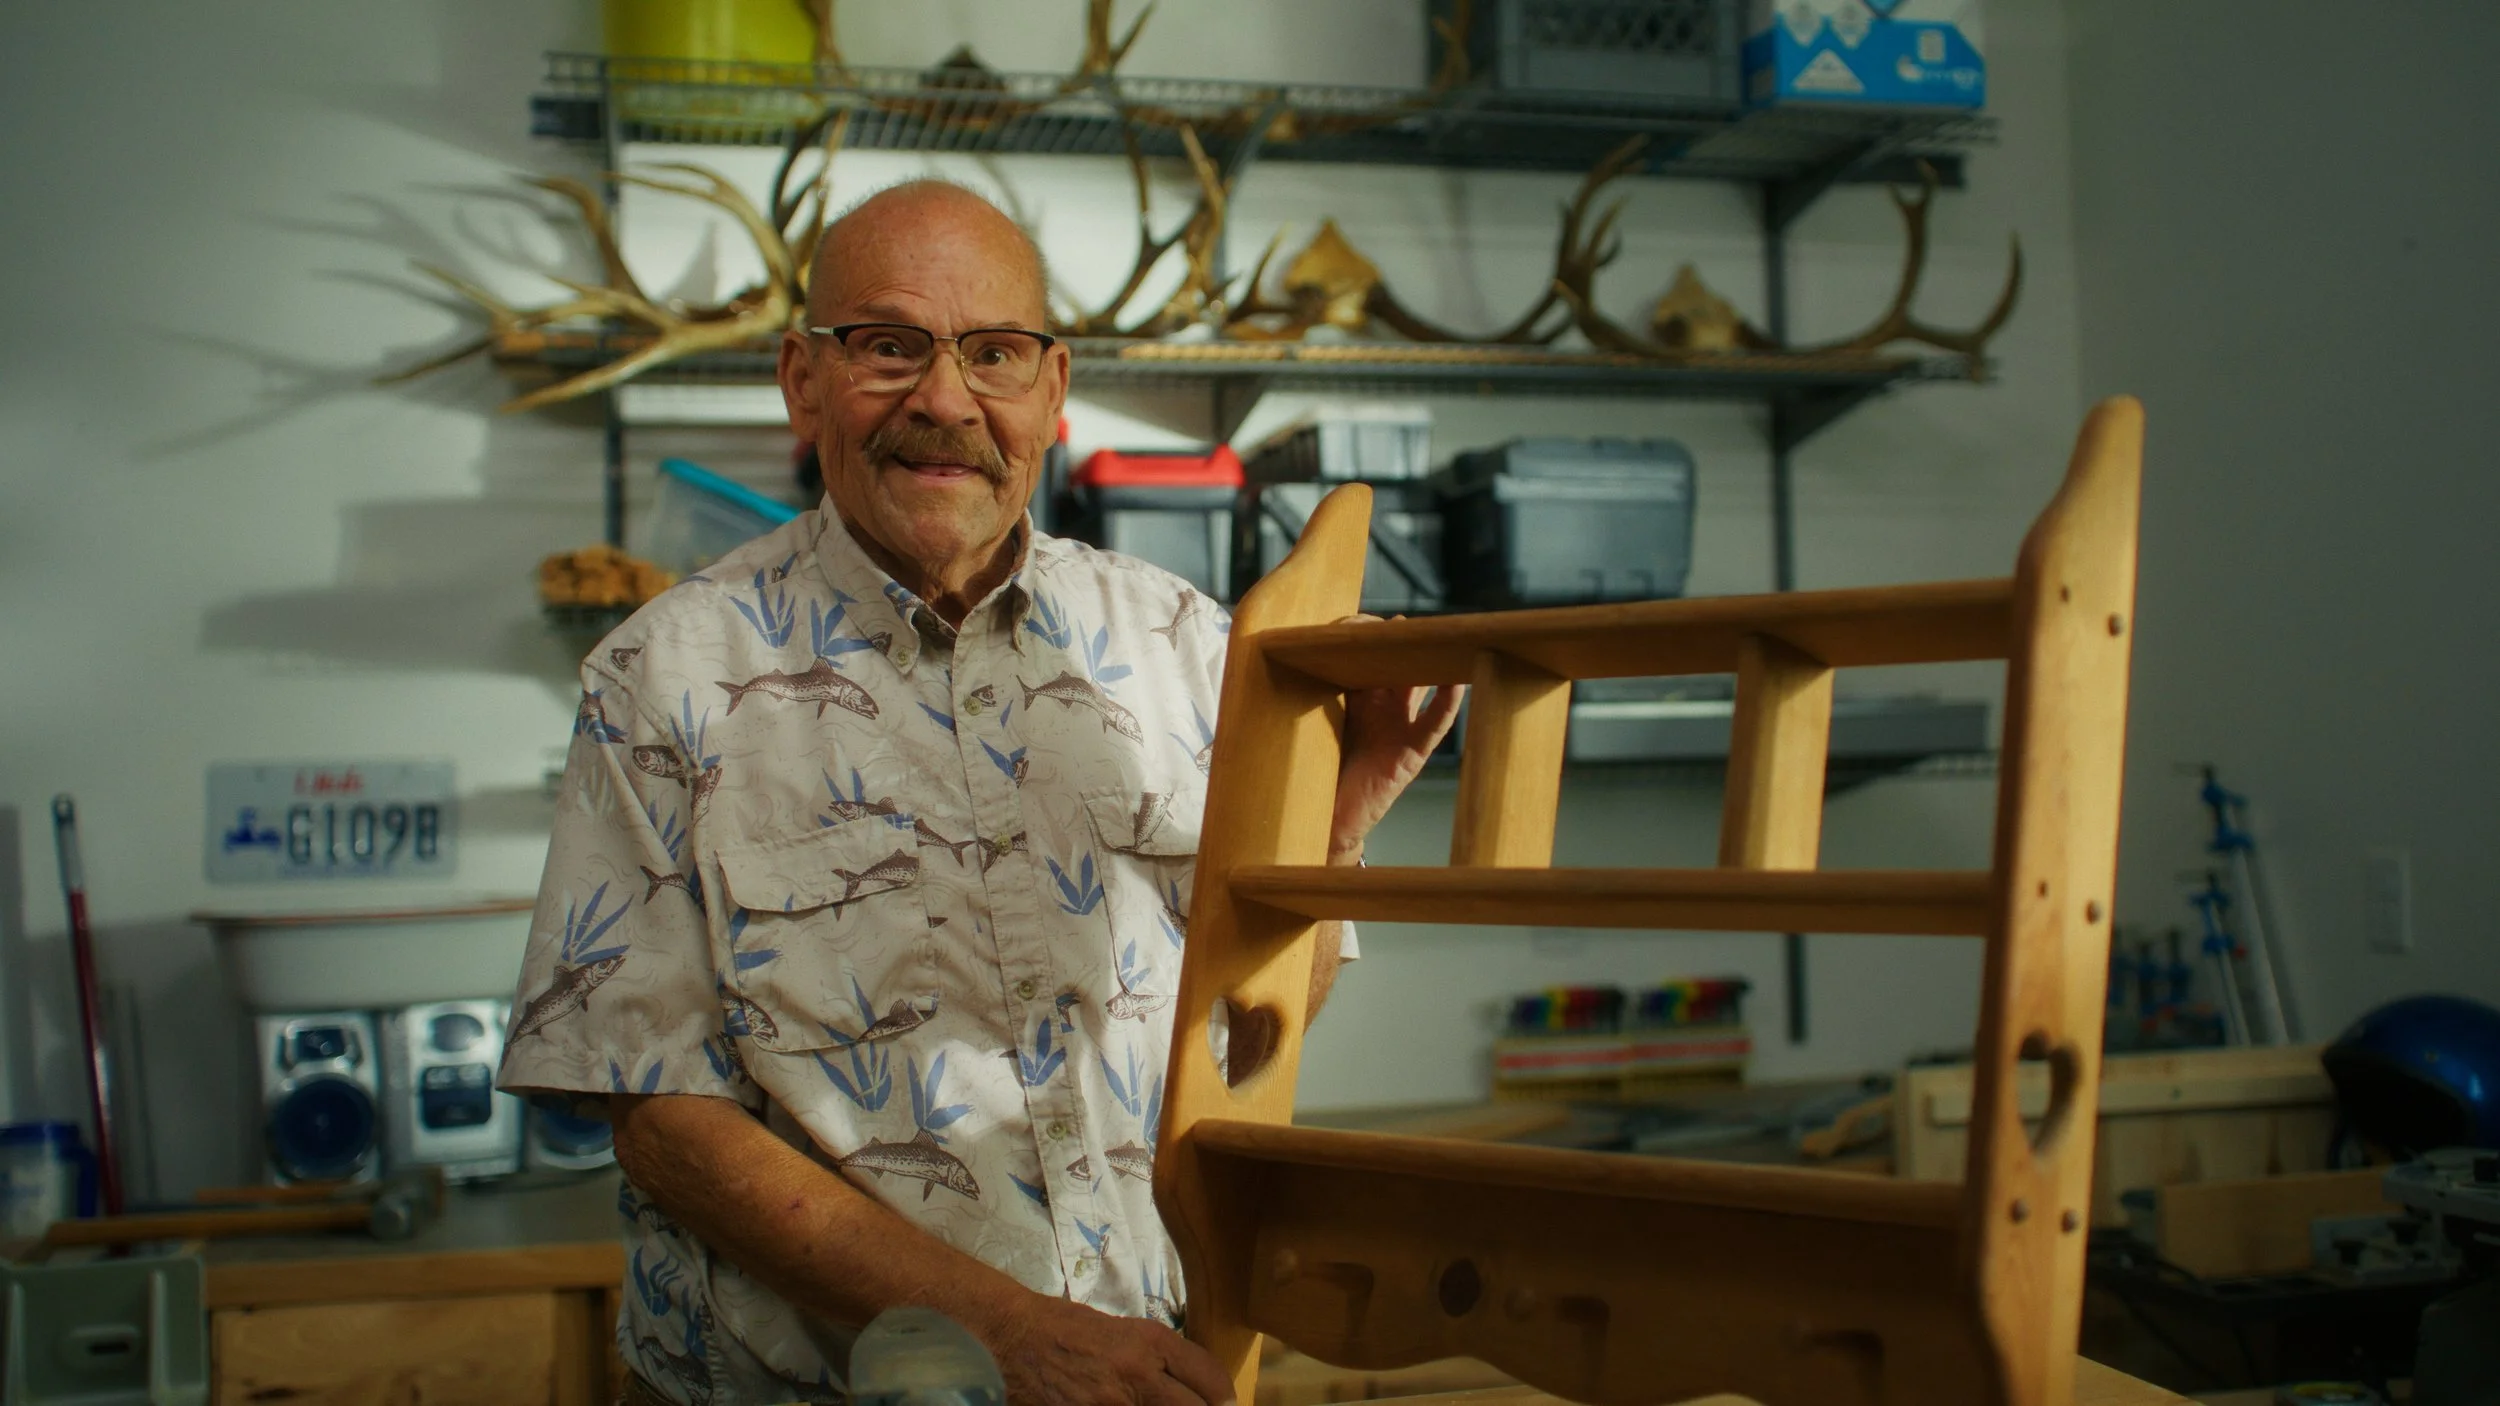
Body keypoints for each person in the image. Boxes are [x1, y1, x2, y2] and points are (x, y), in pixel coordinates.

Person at [496, 180, 1460, 1406]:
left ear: (1052, 392)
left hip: (1141, 1374)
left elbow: (1242, 1036)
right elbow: (662, 1122)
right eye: (888, 346)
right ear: (803, 379)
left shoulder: (1192, 648)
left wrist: (1332, 830)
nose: (945, 400)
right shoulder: (662, 677)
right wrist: (1016, 1334)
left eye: (993, 352)